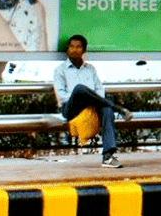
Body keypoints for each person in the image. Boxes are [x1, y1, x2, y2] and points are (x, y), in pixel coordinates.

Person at [53, 33, 133, 168]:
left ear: (83, 50)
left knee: (107, 110)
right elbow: (61, 96)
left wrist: (92, 100)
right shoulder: (60, 70)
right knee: (79, 90)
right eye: (71, 46)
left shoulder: (90, 69)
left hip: (93, 107)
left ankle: (108, 156)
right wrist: (85, 97)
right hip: (71, 108)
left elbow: (99, 89)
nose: (74, 49)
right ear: (67, 49)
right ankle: (118, 108)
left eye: (78, 47)